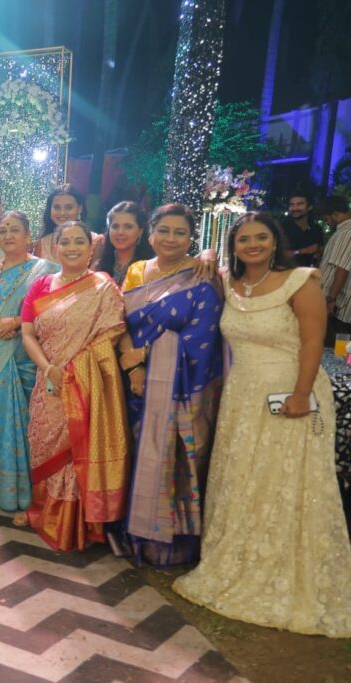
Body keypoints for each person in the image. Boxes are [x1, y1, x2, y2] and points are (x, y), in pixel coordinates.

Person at [173, 212, 351, 638]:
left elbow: (314, 341)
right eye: (244, 239)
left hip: (291, 393)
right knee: (243, 478)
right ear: (234, 246)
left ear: (275, 241)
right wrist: (207, 252)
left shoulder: (300, 282)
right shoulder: (230, 284)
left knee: (283, 481)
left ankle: (286, 572)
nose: (252, 245)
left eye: (261, 237)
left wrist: (301, 394)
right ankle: (237, 560)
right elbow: (205, 261)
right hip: (242, 397)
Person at [112, 204, 224, 565]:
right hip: (133, 381)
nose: (171, 238)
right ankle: (132, 532)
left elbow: (201, 340)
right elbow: (120, 320)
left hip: (180, 387)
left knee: (169, 454)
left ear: (192, 238)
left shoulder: (202, 276)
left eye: (180, 232)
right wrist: (133, 366)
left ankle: (166, 543)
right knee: (133, 451)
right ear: (151, 234)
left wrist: (146, 357)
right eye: (164, 230)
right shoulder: (136, 271)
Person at [20, 221, 128, 551]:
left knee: (77, 450)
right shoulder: (41, 285)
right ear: (55, 247)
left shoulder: (103, 286)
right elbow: (27, 334)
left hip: (86, 383)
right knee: (45, 446)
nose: (71, 247)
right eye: (65, 241)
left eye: (79, 241)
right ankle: (45, 512)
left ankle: (77, 523)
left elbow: (111, 333)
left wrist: (73, 370)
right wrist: (49, 369)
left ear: (91, 247)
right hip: (48, 382)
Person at [0, 211, 59, 524]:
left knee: (26, 421)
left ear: (28, 235)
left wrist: (17, 321)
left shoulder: (46, 271)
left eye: (15, 230)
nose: (8, 235)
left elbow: (51, 313)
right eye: (3, 230)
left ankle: (25, 491)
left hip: (25, 356)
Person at [31, 184, 105, 267]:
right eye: (57, 207)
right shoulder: (41, 244)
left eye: (69, 207)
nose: (62, 213)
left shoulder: (96, 242)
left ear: (80, 208)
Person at [317, 195, 351, 345]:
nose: (327, 223)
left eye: (326, 219)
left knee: (338, 347)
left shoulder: (346, 233)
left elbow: (342, 268)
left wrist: (331, 299)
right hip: (338, 304)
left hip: (341, 307)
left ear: (335, 214)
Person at [96, 201, 155, 285]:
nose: (120, 232)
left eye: (128, 227)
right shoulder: (98, 266)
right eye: (115, 226)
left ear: (140, 231)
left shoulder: (150, 267)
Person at [281, 191, 324, 267]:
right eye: (292, 205)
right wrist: (303, 251)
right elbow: (276, 255)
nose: (295, 208)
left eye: (299, 204)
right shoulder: (281, 228)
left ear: (310, 207)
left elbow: (320, 251)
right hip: (286, 272)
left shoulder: (316, 229)